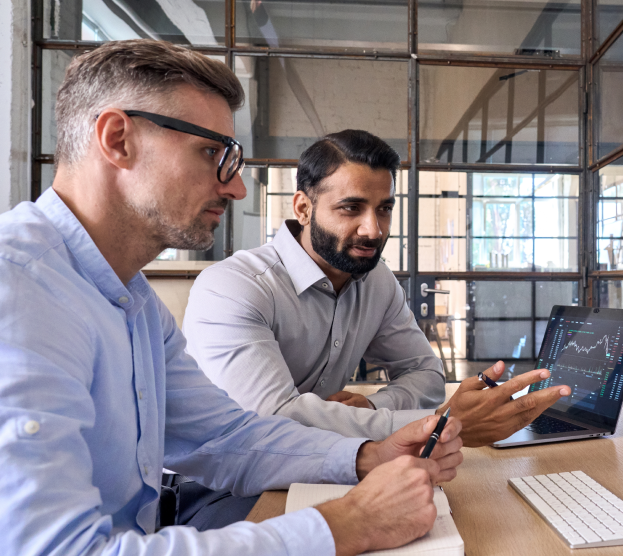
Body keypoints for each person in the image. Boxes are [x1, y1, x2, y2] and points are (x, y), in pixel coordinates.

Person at [0, 39, 463, 556]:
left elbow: (222, 437)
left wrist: (365, 456)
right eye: (212, 153)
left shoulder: (133, 300)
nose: (237, 187)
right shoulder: (18, 291)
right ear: (117, 139)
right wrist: (344, 525)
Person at [183, 130, 572, 447]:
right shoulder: (234, 288)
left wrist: (372, 404)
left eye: (384, 208)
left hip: (320, 463)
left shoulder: (376, 279)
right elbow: (272, 419)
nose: (374, 230)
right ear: (303, 208)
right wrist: (438, 423)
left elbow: (426, 374)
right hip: (217, 484)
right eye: (351, 208)